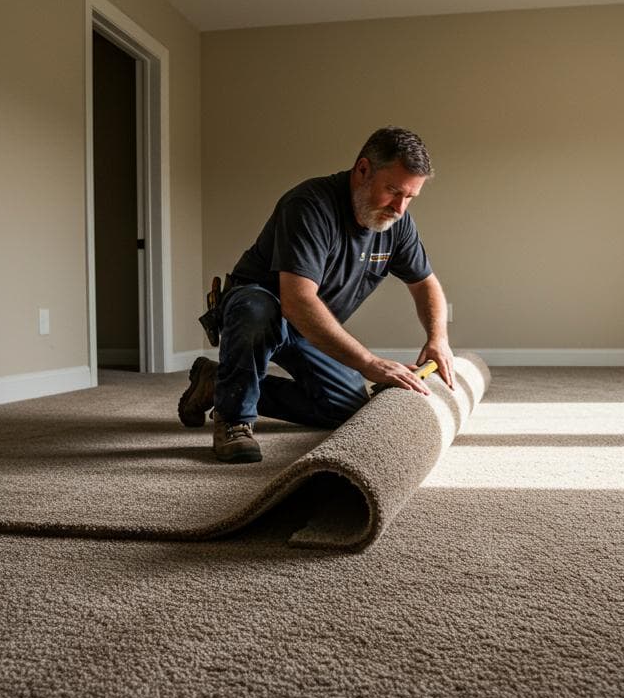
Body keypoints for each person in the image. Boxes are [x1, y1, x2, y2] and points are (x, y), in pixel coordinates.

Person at [178, 127, 455, 463]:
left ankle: (216, 381)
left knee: (348, 406)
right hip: (265, 308)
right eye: (393, 191)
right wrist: (370, 363)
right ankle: (234, 419)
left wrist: (438, 337)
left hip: (308, 325)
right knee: (256, 310)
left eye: (410, 197)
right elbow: (297, 301)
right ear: (363, 170)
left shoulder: (398, 223)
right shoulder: (309, 205)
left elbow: (426, 283)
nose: (399, 207)